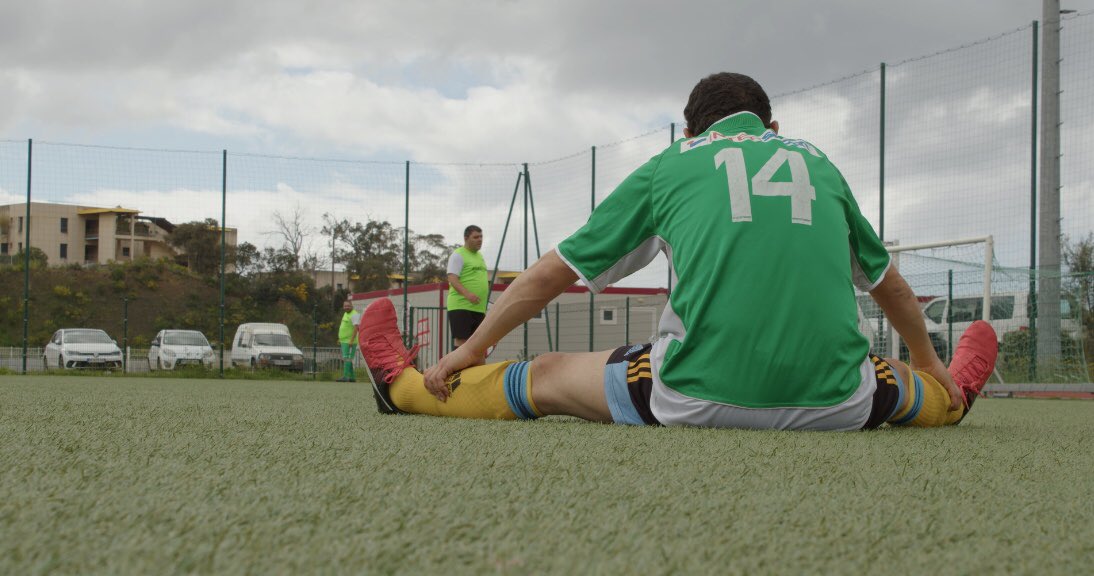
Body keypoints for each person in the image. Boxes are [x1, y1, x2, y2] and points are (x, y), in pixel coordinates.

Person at [358, 72, 998, 431]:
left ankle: (404, 389)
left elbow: (553, 273)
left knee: (547, 374)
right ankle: (955, 397)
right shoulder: (819, 164)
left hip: (694, 397)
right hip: (837, 405)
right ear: (771, 128)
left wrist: (470, 350)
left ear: (689, 132)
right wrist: (931, 361)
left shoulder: (672, 165)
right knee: (909, 384)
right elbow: (892, 289)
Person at [446, 225, 488, 348]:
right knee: (463, 343)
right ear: (466, 238)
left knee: (477, 345)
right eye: (475, 237)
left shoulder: (480, 256)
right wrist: (468, 294)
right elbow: (452, 278)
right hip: (461, 306)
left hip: (478, 308)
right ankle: (459, 368)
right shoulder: (458, 255)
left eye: (481, 237)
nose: (479, 239)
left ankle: (478, 368)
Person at [337, 299, 360, 382]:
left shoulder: (354, 314)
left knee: (347, 358)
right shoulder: (346, 313)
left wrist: (351, 340)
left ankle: (346, 376)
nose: (346, 307)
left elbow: (356, 328)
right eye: (345, 306)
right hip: (344, 341)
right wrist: (340, 339)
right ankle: (352, 377)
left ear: (352, 306)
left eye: (348, 305)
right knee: (348, 359)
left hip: (349, 341)